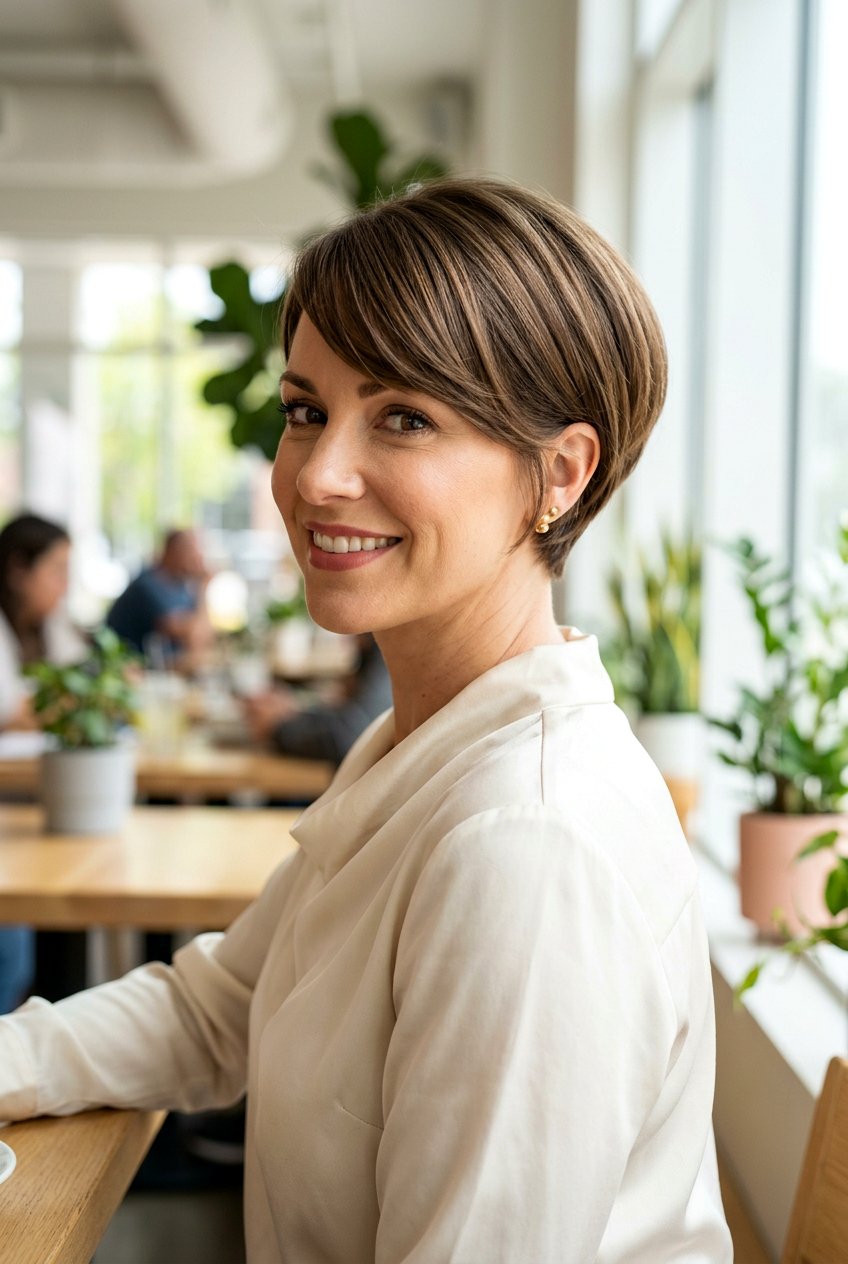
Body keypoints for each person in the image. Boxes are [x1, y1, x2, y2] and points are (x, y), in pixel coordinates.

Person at [0, 180, 732, 1261]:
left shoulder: (525, 846)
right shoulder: (421, 744)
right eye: (307, 411)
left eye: (405, 417)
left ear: (561, 475)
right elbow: (215, 1010)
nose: (316, 476)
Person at [0, 512, 86, 1014]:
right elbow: (11, 710)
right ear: (18, 569)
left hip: (38, 801)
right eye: (56, 570)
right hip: (13, 811)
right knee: (12, 952)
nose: (64, 585)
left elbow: (82, 690)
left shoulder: (51, 626)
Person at [244, 633, 392, 764]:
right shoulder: (370, 650)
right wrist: (290, 712)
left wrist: (279, 727)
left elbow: (353, 736)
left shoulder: (387, 648)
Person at [106, 527, 213, 666]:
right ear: (172, 551)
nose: (199, 558)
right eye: (192, 551)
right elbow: (191, 634)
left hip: (162, 668)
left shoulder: (182, 588)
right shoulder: (146, 586)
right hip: (129, 668)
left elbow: (205, 635)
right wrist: (203, 588)